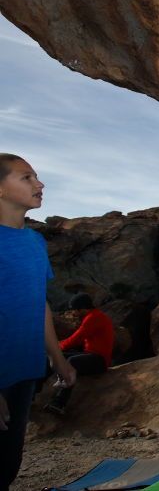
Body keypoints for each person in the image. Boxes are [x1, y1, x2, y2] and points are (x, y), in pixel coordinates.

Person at [0, 153, 76, 491]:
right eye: (26, 177)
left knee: (7, 466)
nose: (39, 183)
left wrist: (58, 360)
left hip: (24, 371)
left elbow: (38, 304)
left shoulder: (34, 241)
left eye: (37, 177)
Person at [43, 293, 114, 415]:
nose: (73, 313)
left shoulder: (94, 318)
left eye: (74, 310)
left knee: (72, 362)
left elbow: (77, 339)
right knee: (53, 357)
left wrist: (55, 347)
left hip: (100, 360)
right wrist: (54, 352)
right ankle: (33, 392)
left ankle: (59, 403)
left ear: (81, 309)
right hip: (90, 355)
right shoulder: (91, 316)